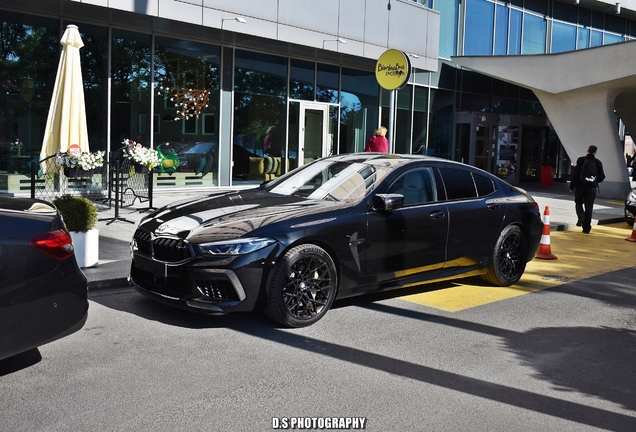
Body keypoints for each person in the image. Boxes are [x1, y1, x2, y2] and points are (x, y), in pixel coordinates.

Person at [569, 145, 606, 234]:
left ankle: (581, 216)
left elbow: (576, 173)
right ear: (595, 152)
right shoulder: (598, 162)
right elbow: (602, 176)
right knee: (589, 207)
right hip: (592, 188)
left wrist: (572, 186)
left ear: (587, 151)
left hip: (580, 186)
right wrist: (594, 181)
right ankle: (586, 228)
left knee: (578, 202)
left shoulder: (581, 160)